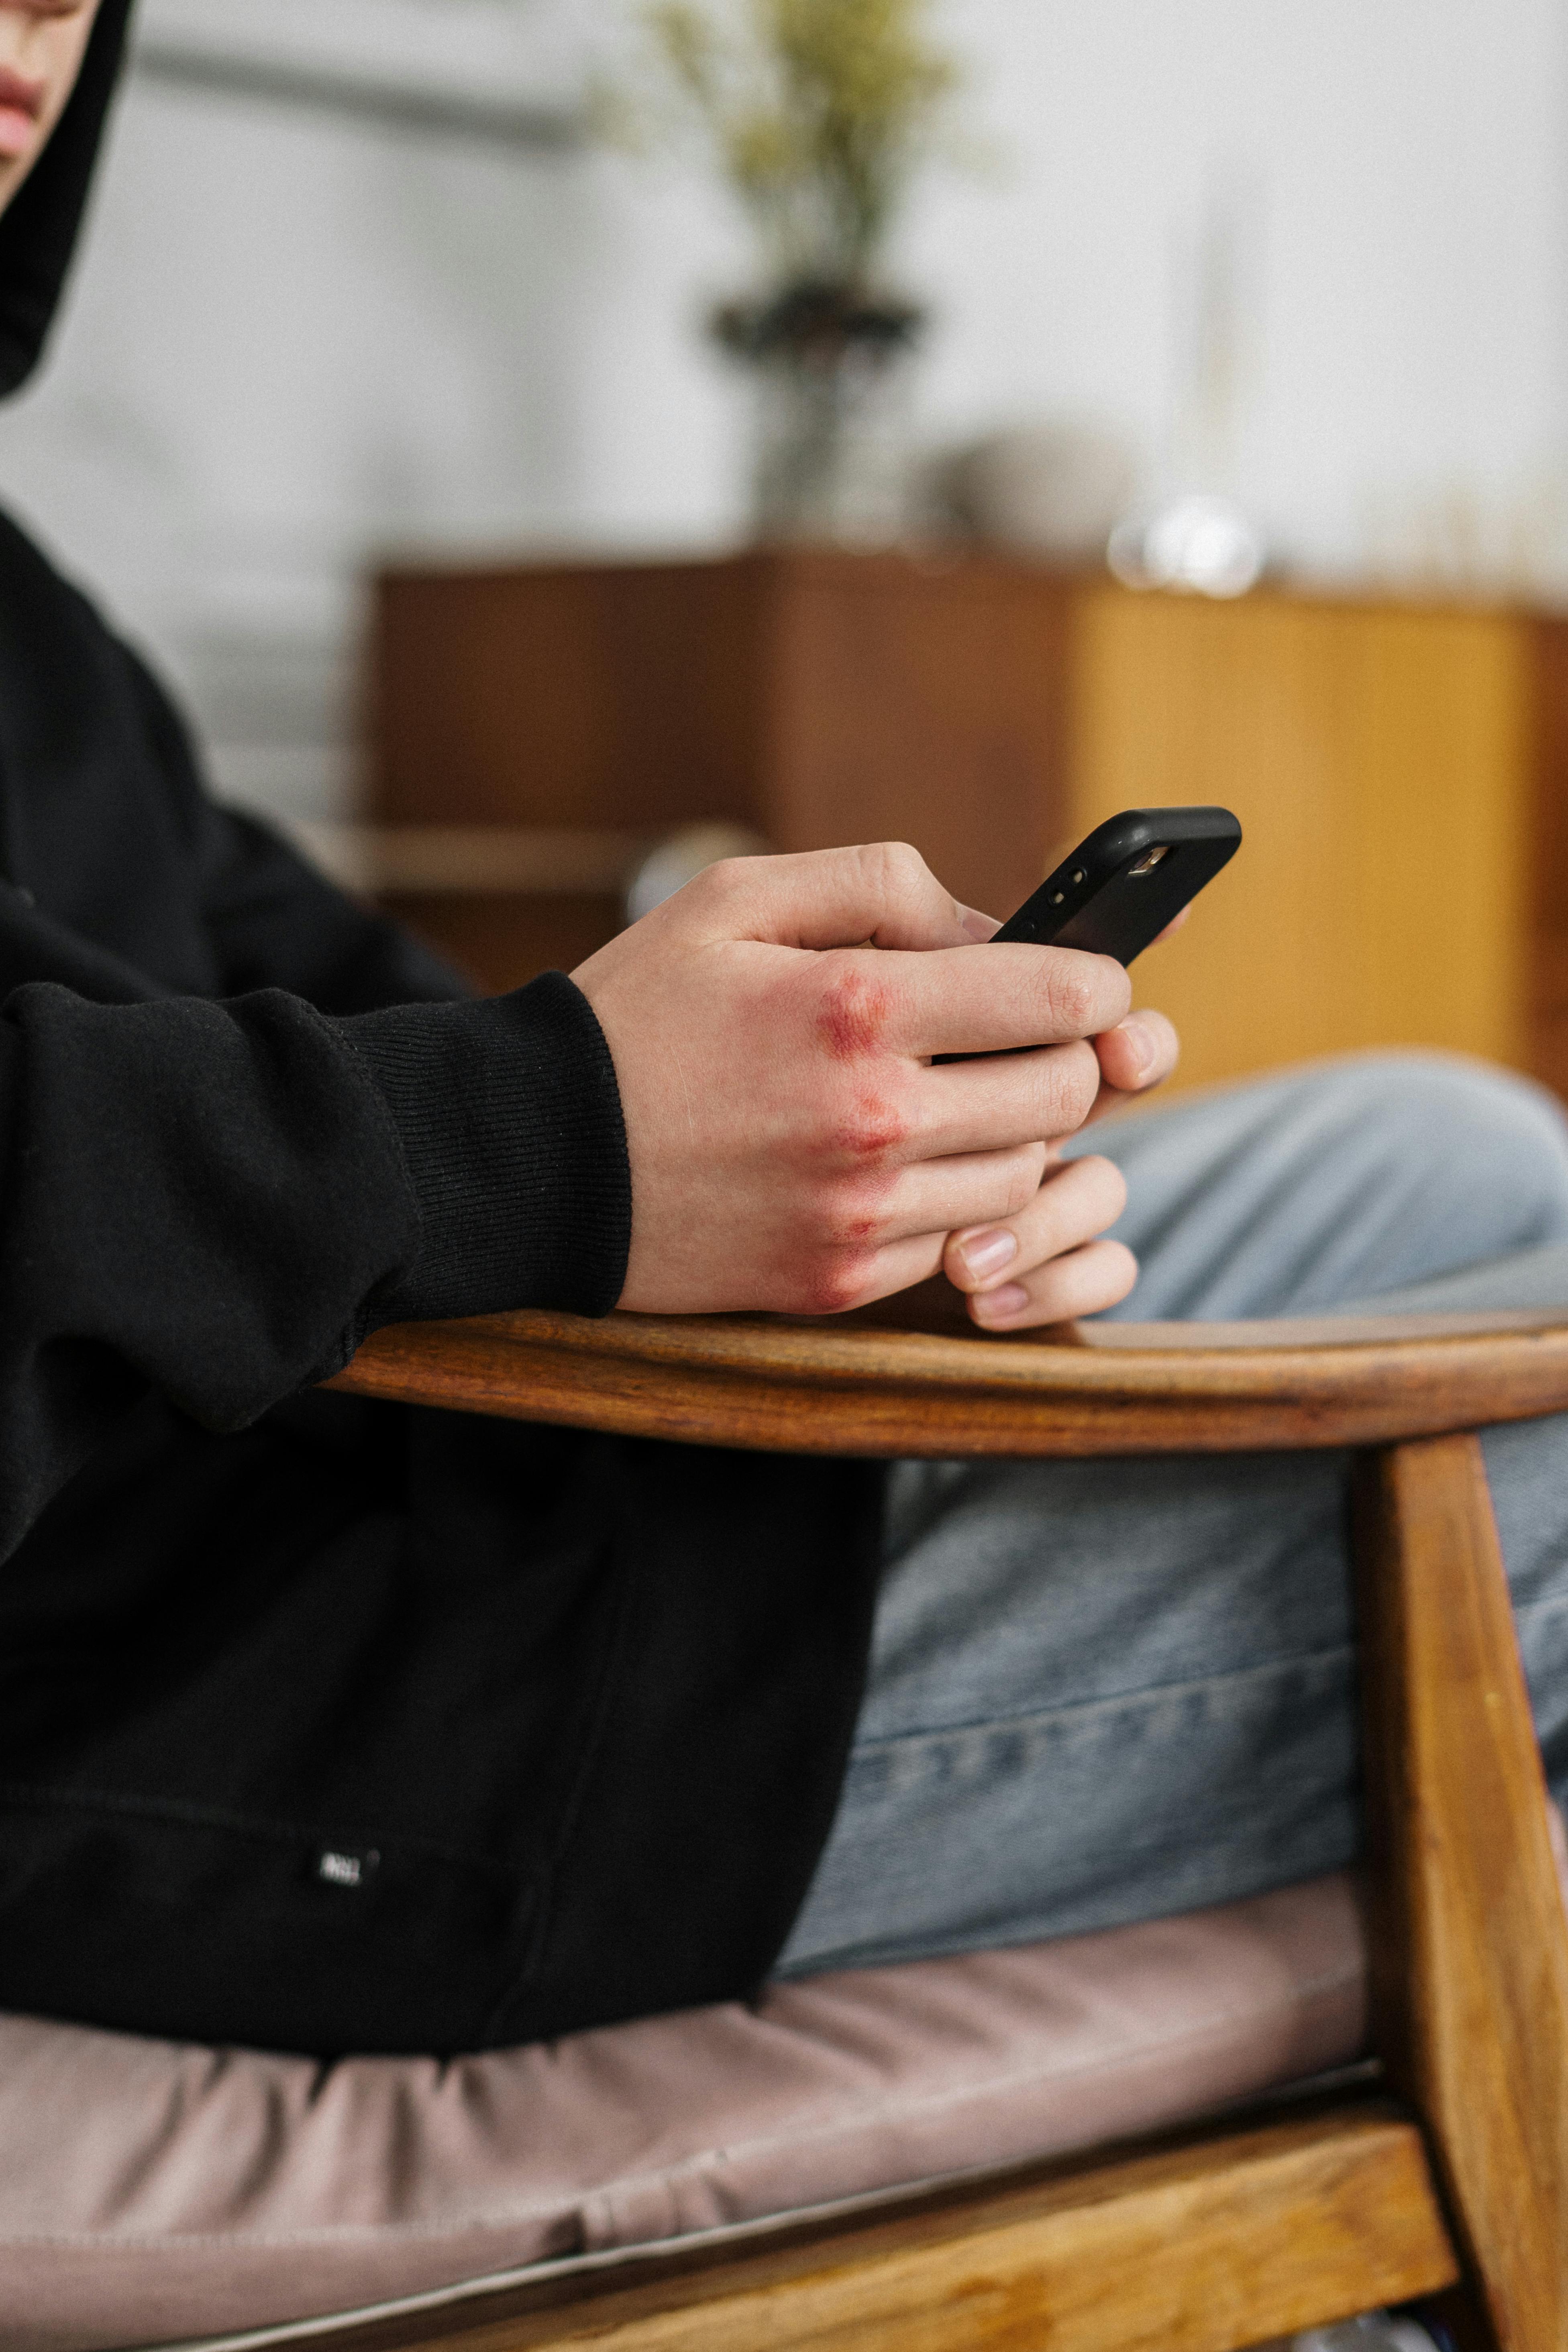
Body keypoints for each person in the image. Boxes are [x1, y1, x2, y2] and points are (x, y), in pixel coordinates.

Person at [0, 0, 1565, 2062]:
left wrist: (832, 1154)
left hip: (527, 1480)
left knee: (1450, 1144)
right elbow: (416, 1117)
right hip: (335, 1719)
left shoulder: (39, 631)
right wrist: (546, 1141)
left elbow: (372, 1019)